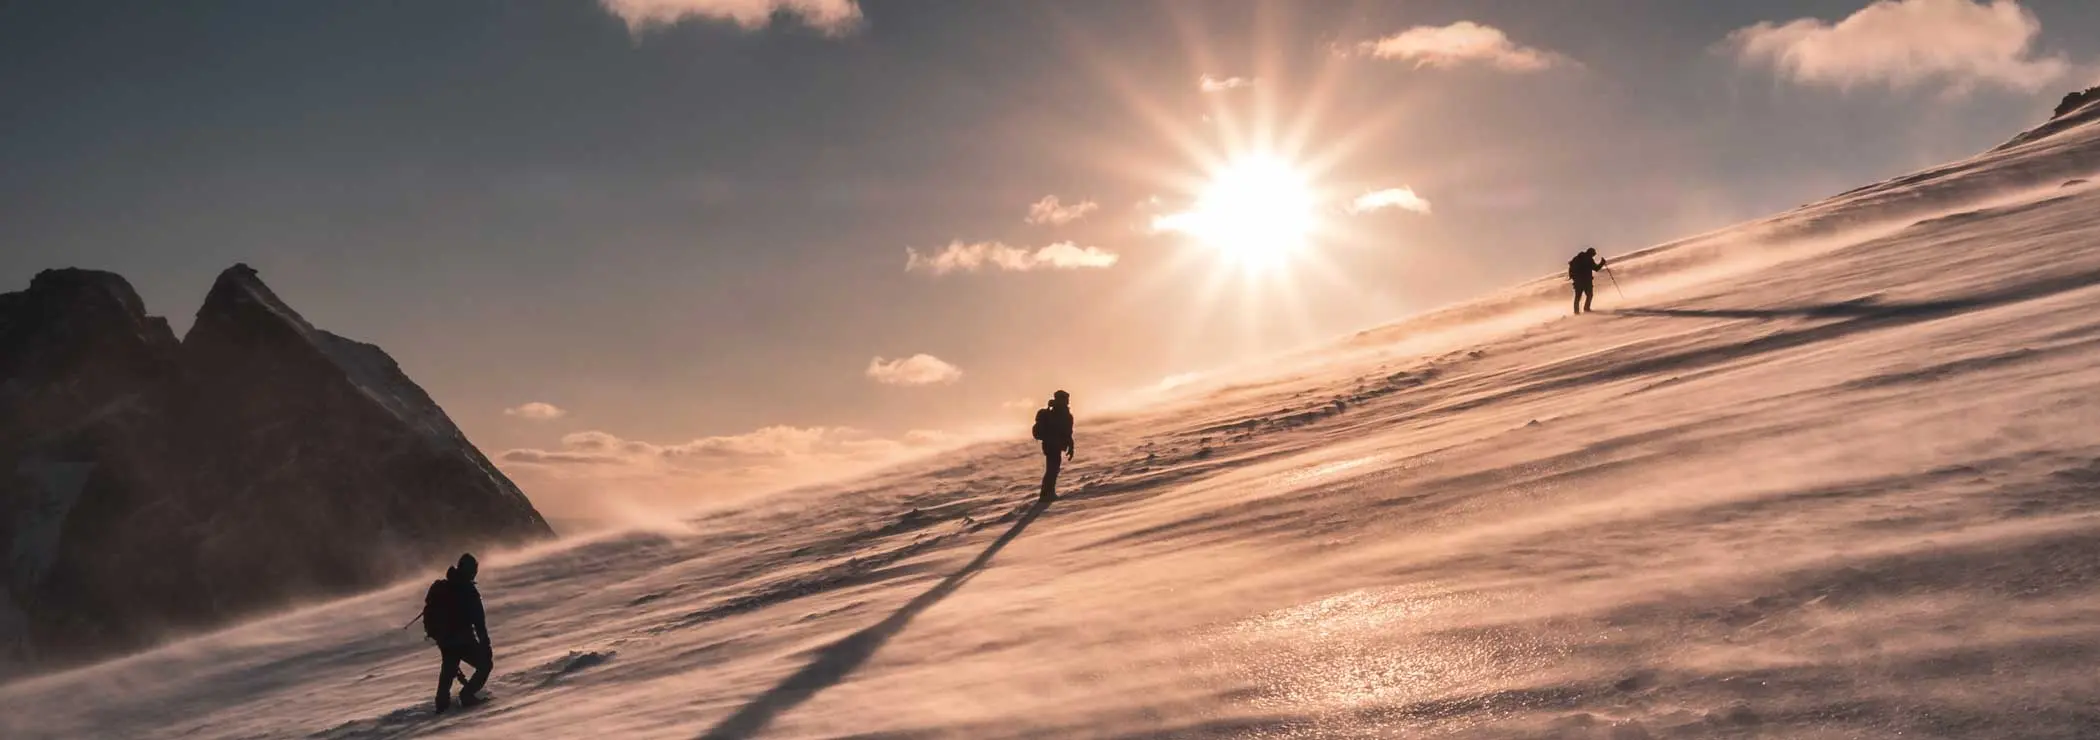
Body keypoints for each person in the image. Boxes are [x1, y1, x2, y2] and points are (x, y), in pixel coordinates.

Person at [423, 553, 493, 714]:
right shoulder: (469, 592)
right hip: (463, 640)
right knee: (485, 665)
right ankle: (466, 695)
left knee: (448, 671)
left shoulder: (442, 588)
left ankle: (441, 705)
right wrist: (486, 646)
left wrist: (439, 636)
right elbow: (479, 624)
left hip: (445, 640)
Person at [1031, 390, 1075, 501]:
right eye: (1065, 399)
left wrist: (1071, 446)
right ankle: (1047, 494)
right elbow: (1065, 432)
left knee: (1053, 469)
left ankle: (1048, 493)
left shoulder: (1064, 414)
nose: (1067, 401)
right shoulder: (1056, 414)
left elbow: (1068, 433)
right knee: (1052, 469)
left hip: (1054, 445)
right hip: (1052, 445)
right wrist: (1069, 445)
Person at [1567, 247, 1610, 315]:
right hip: (1586, 281)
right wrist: (1602, 263)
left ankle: (1576, 312)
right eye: (1593, 254)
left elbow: (1572, 268)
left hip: (1578, 282)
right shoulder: (1588, 259)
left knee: (1578, 297)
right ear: (1591, 253)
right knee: (1589, 295)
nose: (1593, 256)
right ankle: (1586, 309)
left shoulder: (1577, 258)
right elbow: (1596, 268)